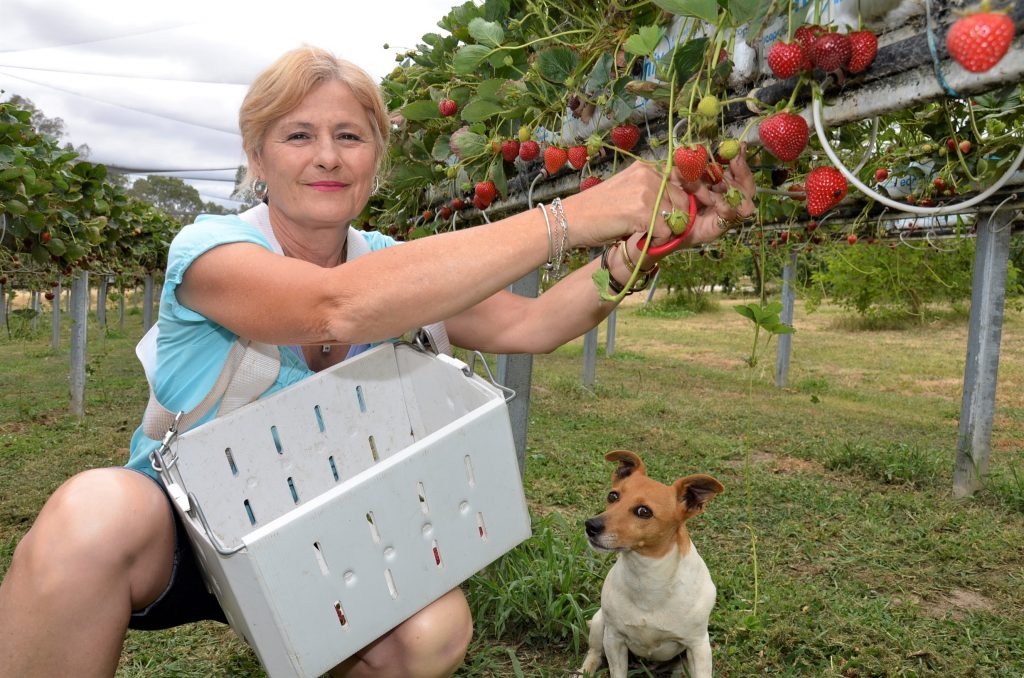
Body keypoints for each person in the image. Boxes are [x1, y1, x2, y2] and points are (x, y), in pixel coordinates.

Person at [0, 45, 755, 678]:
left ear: (375, 159)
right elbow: (333, 305)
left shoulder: (398, 265)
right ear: (256, 154)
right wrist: (573, 216)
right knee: (90, 512)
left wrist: (646, 245)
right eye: (297, 136)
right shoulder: (208, 250)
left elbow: (531, 322)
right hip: (184, 530)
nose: (326, 156)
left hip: (322, 539)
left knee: (432, 632)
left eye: (350, 137)